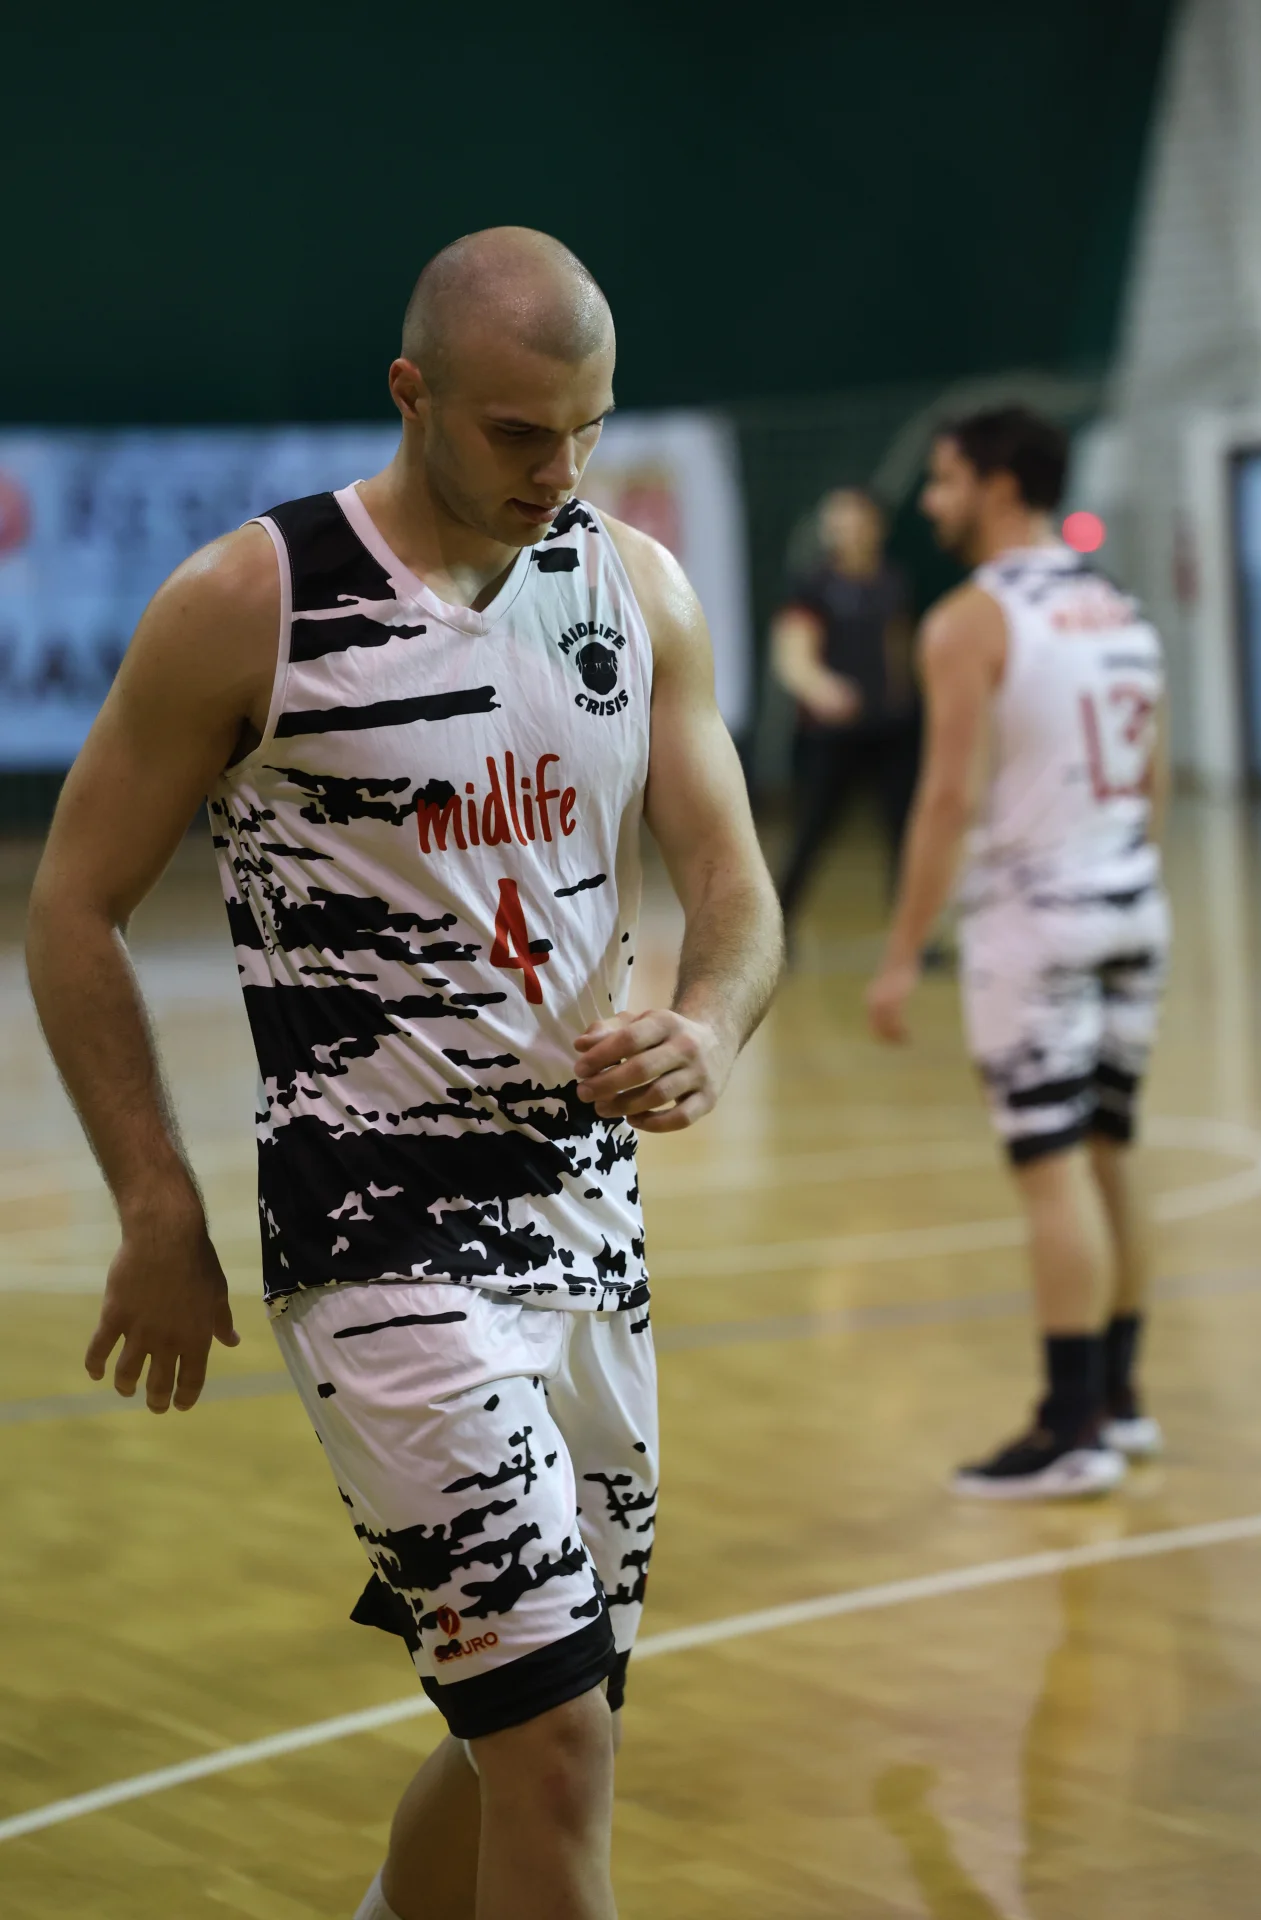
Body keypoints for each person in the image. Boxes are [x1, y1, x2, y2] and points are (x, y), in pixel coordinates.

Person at [25, 228, 784, 1920]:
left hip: (591, 1233)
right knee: (559, 1751)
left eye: (589, 429)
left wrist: (710, 1024)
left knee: (549, 1722)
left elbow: (738, 889)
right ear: (411, 393)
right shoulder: (255, 604)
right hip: (376, 1240)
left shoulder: (635, 591)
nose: (560, 470)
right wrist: (155, 1204)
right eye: (520, 433)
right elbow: (72, 906)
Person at [866, 406, 1168, 1501]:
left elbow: (946, 798)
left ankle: (1068, 1427)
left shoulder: (971, 618)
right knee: (1107, 1155)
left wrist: (902, 953)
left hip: (1036, 923)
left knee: (1049, 1172)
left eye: (944, 480)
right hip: (1132, 905)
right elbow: (1151, 781)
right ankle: (1119, 1400)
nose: (930, 501)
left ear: (997, 485)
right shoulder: (1120, 605)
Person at [771, 487, 918, 925]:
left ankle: (914, 931)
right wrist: (822, 688)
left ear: (875, 526)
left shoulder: (892, 582)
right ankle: (776, 927)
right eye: (836, 520)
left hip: (890, 730)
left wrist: (904, 696)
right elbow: (792, 654)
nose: (844, 529)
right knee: (810, 833)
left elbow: (899, 644)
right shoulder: (814, 586)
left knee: (906, 834)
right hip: (831, 735)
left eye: (854, 519)